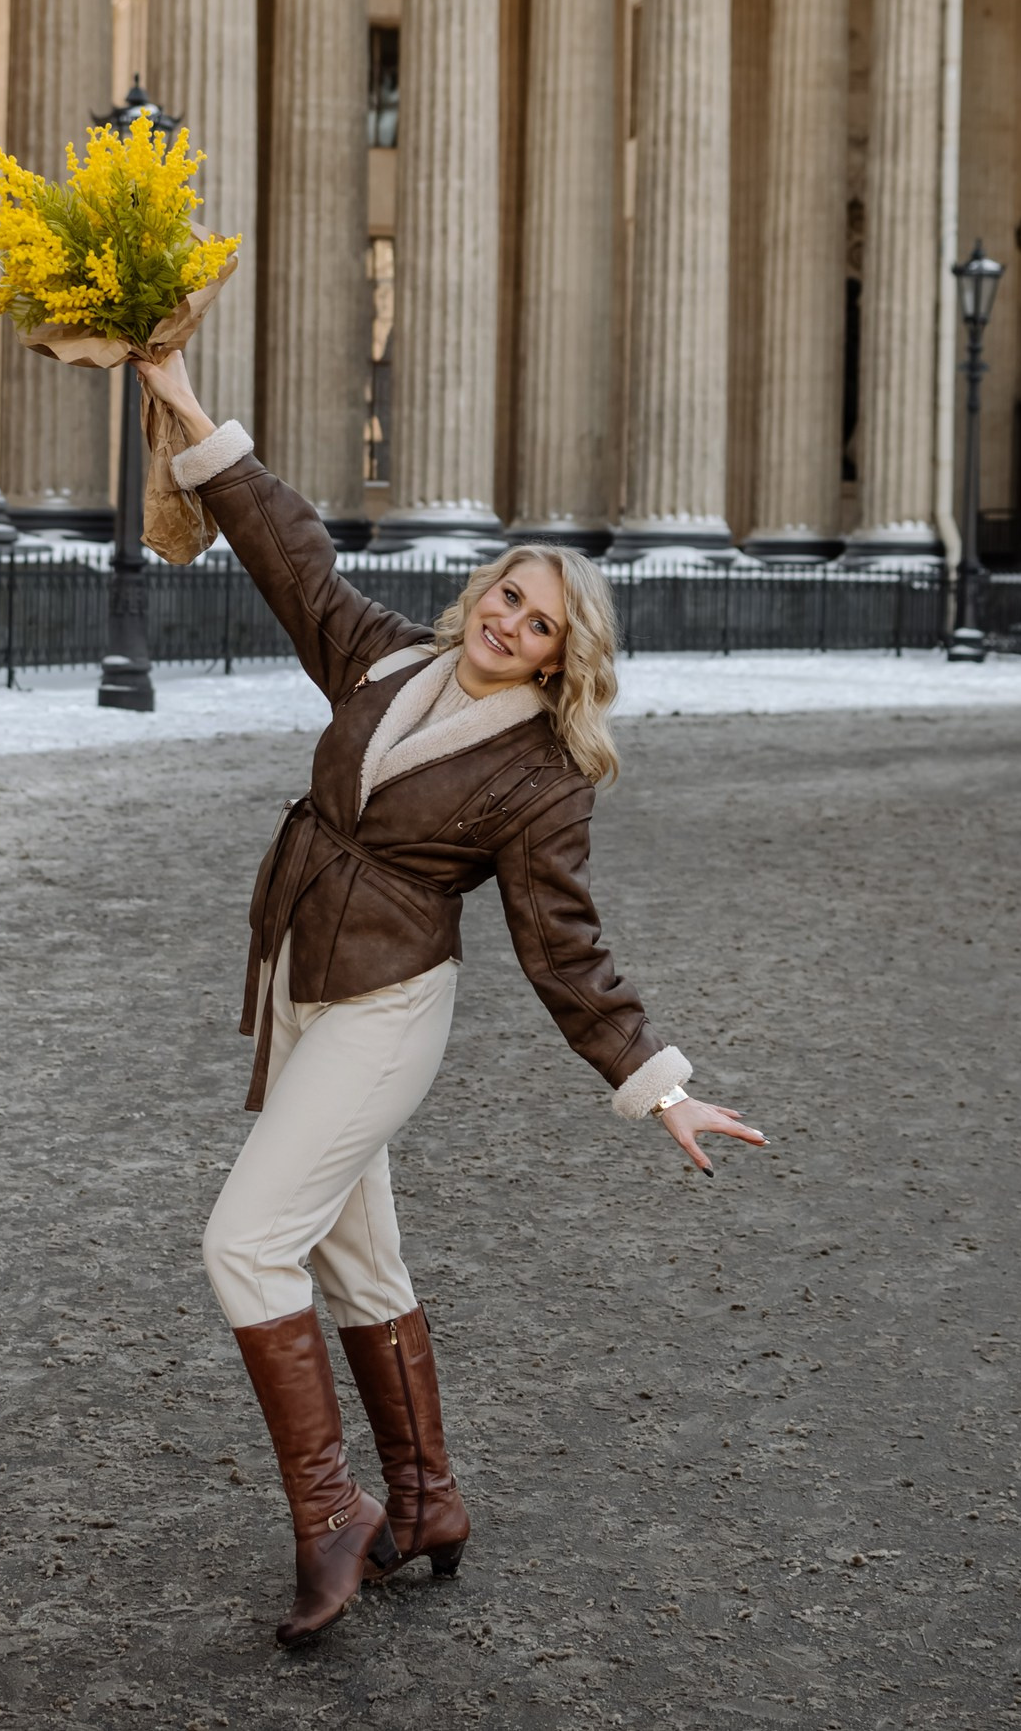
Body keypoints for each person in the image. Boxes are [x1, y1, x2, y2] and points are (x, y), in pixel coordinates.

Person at [134, 349, 767, 1649]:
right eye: (508, 598)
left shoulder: (543, 778)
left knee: (246, 1242)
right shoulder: (380, 661)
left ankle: (333, 1515)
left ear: (558, 659)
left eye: (540, 624)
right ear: (483, 592)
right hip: (306, 979)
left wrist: (655, 1085)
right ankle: (426, 1498)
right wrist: (183, 397)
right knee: (357, 1251)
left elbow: (562, 947)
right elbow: (286, 549)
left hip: (386, 1012)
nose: (509, 625)